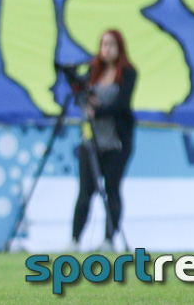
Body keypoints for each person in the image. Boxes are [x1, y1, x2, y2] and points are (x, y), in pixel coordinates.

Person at [68, 29, 136, 253]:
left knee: (112, 189)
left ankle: (109, 238)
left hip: (116, 141)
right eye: (104, 44)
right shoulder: (92, 71)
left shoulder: (127, 73)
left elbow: (122, 104)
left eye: (111, 44)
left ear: (119, 48)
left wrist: (97, 111)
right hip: (91, 140)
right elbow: (80, 97)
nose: (107, 49)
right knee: (85, 191)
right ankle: (75, 239)